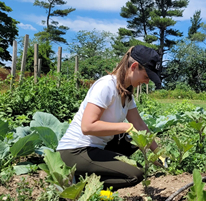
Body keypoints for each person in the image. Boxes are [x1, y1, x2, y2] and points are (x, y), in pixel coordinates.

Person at [56, 45, 162, 189]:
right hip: (75, 151)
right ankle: (76, 182)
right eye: (146, 76)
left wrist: (160, 155)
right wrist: (125, 127)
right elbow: (87, 126)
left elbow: (140, 125)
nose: (147, 81)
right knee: (135, 174)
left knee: (134, 140)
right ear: (134, 67)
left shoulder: (127, 94)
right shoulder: (106, 86)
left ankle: (93, 174)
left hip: (98, 148)